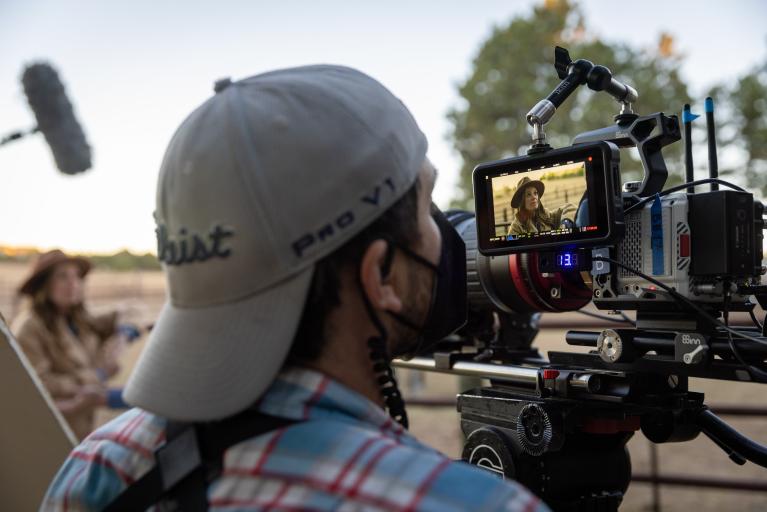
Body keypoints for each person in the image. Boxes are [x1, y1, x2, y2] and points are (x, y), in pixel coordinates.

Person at [43, 66, 548, 511]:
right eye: (427, 207)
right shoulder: (471, 503)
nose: (446, 232)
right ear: (383, 276)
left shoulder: (95, 469)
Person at [12, 250, 132, 440]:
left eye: (77, 276)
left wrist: (126, 330)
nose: (73, 283)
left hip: (85, 427)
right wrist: (98, 375)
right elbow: (39, 384)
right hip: (55, 432)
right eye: (62, 277)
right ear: (43, 285)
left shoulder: (77, 319)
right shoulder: (29, 329)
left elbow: (111, 322)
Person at [507, 176, 575, 236]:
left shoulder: (546, 215)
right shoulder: (516, 228)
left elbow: (570, 207)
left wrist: (565, 223)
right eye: (528, 194)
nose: (534, 197)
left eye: (535, 193)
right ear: (521, 201)